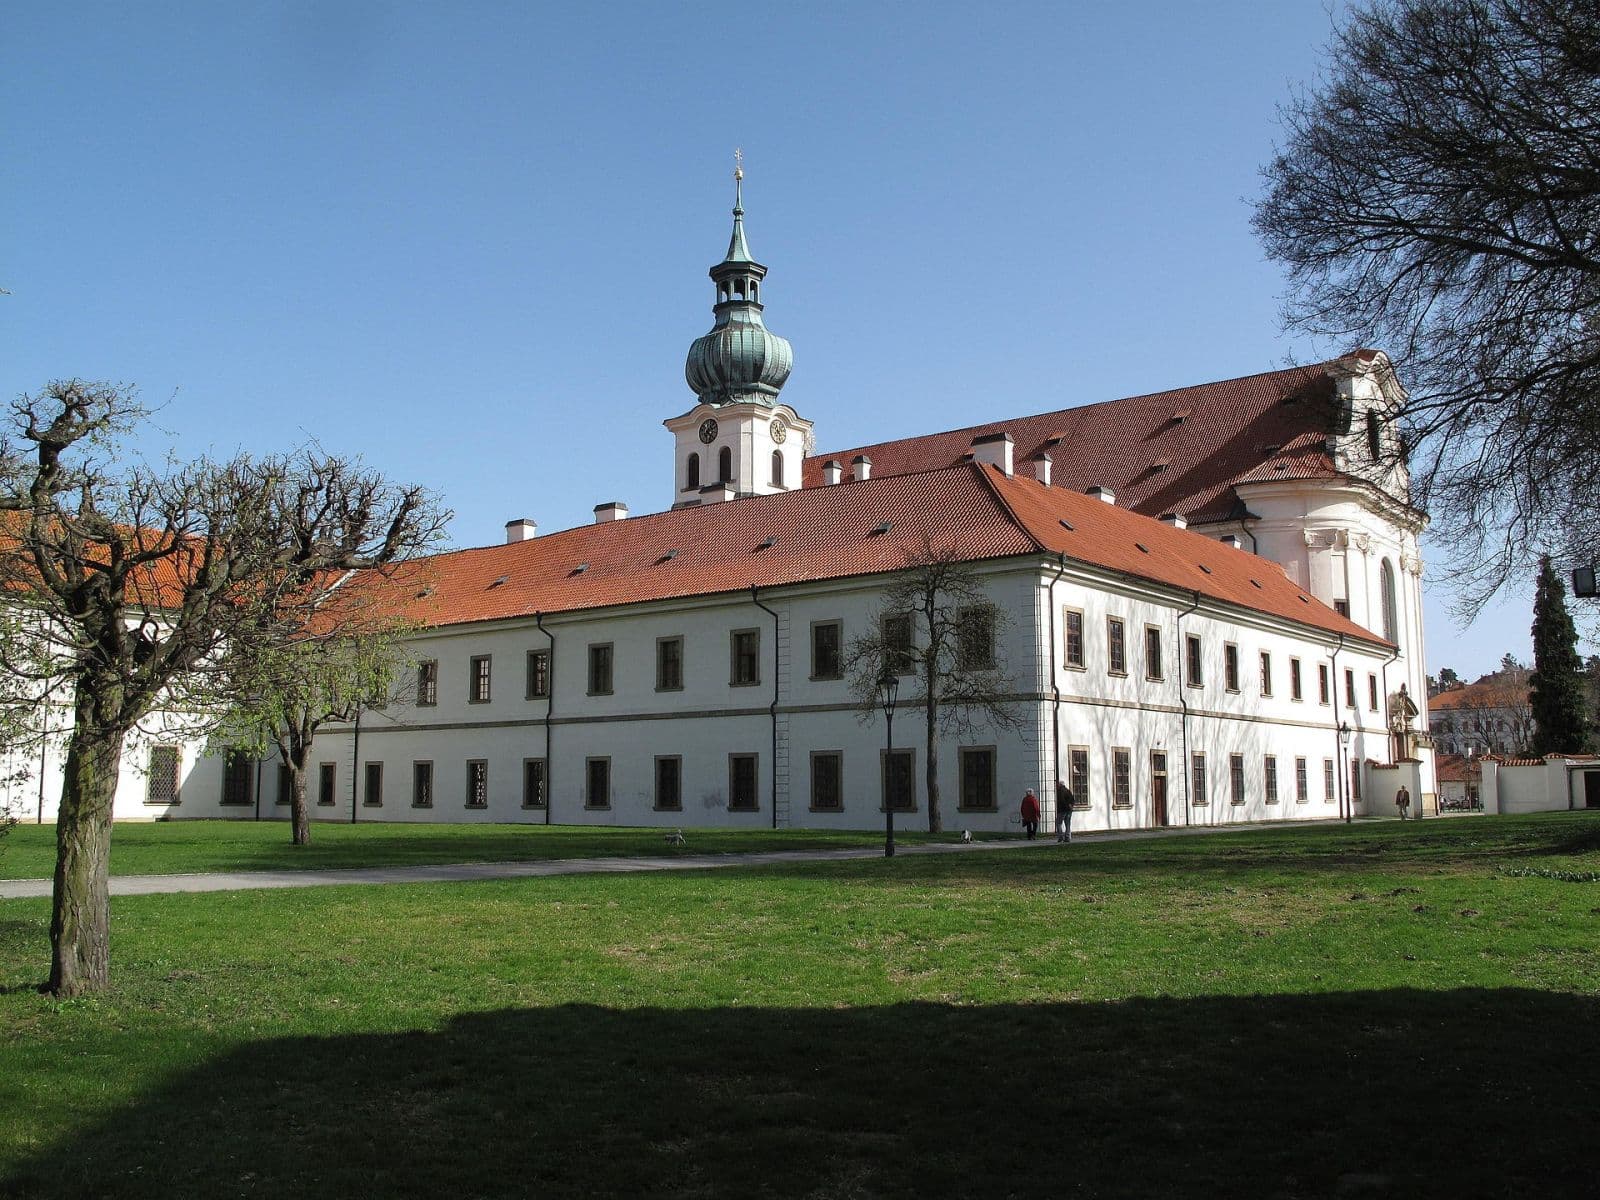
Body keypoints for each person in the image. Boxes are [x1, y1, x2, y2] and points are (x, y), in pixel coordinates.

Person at [1055, 778, 1075, 843]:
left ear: (1060, 785)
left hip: (1062, 810)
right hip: (1069, 810)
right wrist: (1070, 807)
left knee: (1059, 823)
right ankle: (1067, 837)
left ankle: (1060, 837)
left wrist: (1065, 806)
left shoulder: (1059, 791)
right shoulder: (1068, 790)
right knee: (1068, 824)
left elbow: (1061, 801)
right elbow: (1072, 800)